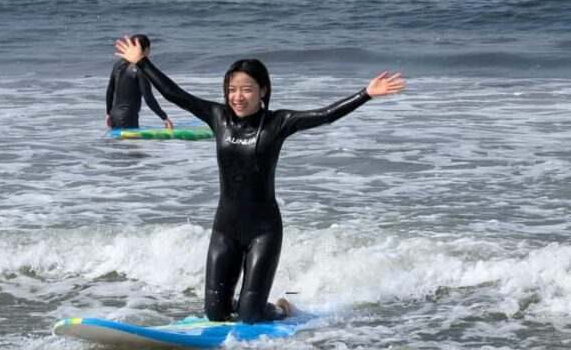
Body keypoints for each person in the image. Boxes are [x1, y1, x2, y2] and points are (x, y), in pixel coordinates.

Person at [115, 35, 406, 323]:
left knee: (250, 316)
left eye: (246, 89)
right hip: (224, 230)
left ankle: (282, 309)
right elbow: (175, 95)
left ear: (262, 90)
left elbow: (325, 115)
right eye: (232, 90)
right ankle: (243, 305)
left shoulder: (278, 123)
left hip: (263, 232)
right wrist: (142, 63)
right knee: (215, 314)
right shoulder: (218, 117)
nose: (238, 97)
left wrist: (366, 94)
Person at [105, 34, 173, 130]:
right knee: (131, 141)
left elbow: (110, 90)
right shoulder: (141, 69)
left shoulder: (118, 64)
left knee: (119, 140)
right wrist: (165, 118)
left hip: (114, 115)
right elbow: (148, 97)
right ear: (146, 50)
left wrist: (108, 113)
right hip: (127, 117)